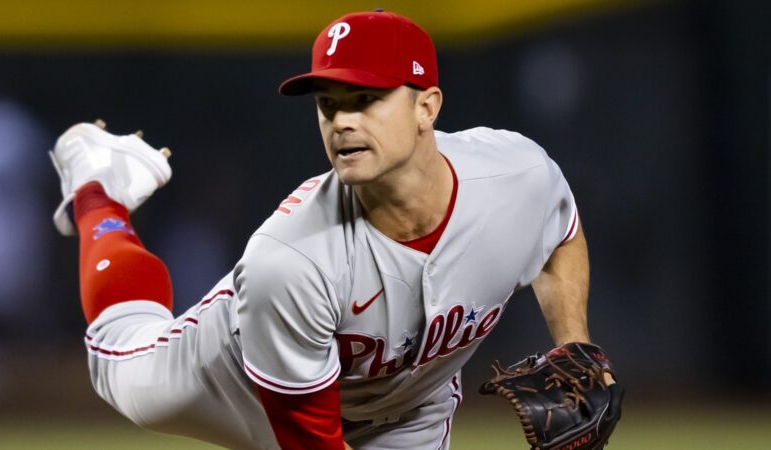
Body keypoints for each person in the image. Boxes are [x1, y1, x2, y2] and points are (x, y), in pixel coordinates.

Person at [51, 10, 605, 450]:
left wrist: (573, 342)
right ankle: (99, 187)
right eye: (329, 104)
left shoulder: (517, 175)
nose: (343, 121)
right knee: (121, 363)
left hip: (409, 404)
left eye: (366, 99)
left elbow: (560, 235)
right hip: (238, 384)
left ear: (426, 107)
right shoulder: (290, 261)